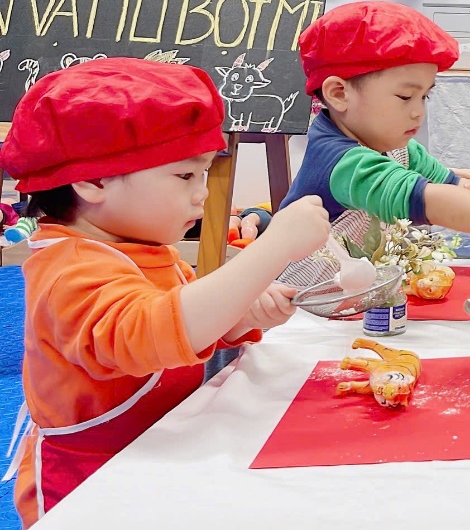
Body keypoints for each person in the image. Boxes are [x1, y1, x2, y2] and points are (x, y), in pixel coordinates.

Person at [0, 58, 333, 527]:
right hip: (92, 487)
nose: (202, 194)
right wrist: (275, 247)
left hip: (158, 448)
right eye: (184, 177)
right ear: (93, 180)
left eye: (202, 174)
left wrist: (242, 315)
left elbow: (186, 325)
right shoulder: (68, 270)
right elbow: (152, 332)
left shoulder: (150, 250)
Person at [282, 0, 470, 243]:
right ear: (338, 93)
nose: (418, 113)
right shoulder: (341, 162)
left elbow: (457, 188)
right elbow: (432, 201)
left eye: (424, 97)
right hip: (298, 306)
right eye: (404, 97)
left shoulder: (398, 148)